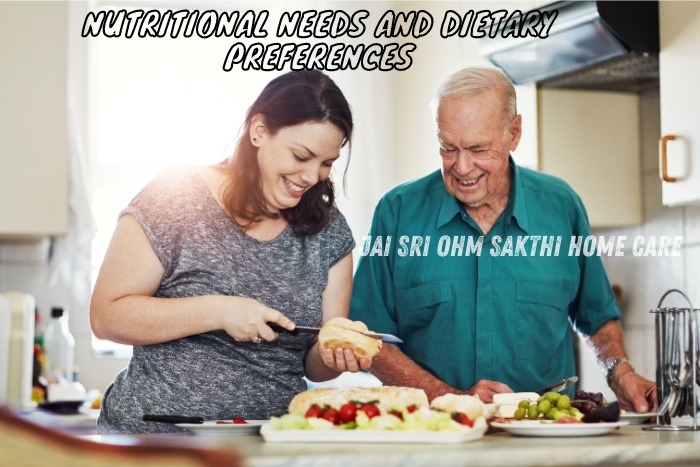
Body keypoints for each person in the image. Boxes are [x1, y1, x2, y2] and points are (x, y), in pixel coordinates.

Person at [349, 66, 656, 413]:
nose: (462, 167)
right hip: (433, 438)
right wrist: (449, 399)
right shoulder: (397, 213)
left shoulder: (561, 207)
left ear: (514, 133)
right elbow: (369, 338)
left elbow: (596, 314)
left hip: (547, 441)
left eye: (479, 149)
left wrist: (618, 371)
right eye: (448, 148)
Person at [90, 70, 370, 434]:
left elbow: (315, 364)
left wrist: (333, 354)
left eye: (327, 162)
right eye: (302, 155)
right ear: (258, 131)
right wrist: (219, 310)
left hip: (267, 448)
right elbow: (106, 317)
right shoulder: (176, 197)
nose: (312, 175)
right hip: (152, 444)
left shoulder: (328, 231)